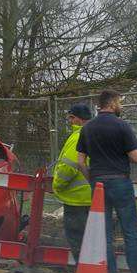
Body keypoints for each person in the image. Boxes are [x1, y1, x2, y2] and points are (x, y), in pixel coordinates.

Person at [76, 89, 137, 273]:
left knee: (104, 237)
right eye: (120, 102)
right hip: (120, 182)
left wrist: (93, 178)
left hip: (98, 184)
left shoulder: (87, 128)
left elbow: (80, 162)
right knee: (130, 235)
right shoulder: (122, 125)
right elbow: (136, 158)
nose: (121, 106)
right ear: (113, 102)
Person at [52, 103, 93, 263]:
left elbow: (69, 166)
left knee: (77, 238)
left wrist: (57, 185)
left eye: (72, 117)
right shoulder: (94, 134)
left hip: (76, 199)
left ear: (80, 119)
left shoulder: (78, 136)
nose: (69, 121)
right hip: (90, 197)